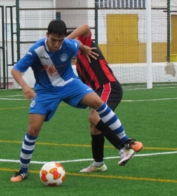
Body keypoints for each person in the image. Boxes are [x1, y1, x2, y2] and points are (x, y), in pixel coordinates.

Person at [10, 19, 143, 182]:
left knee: (97, 102)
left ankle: (125, 141)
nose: (56, 45)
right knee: (33, 129)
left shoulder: (68, 44)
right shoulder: (37, 49)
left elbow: (77, 44)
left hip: (69, 83)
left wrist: (85, 48)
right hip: (45, 91)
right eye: (53, 40)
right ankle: (23, 171)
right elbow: (16, 70)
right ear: (47, 36)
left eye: (60, 41)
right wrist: (24, 86)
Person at [66, 24, 135, 173]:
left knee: (94, 116)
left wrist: (67, 39)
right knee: (94, 126)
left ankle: (124, 147)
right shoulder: (78, 64)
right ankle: (98, 164)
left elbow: (85, 27)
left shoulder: (86, 44)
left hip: (108, 86)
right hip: (99, 90)